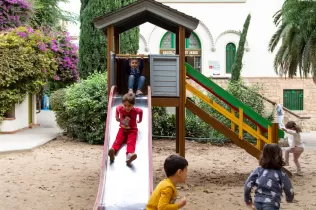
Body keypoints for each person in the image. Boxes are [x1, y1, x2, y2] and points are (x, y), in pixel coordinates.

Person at [244, 144, 294, 210]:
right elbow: (288, 188)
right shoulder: (281, 173)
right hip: (272, 203)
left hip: (257, 202)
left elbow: (247, 185)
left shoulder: (258, 170)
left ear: (263, 156)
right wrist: (289, 198)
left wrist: (247, 199)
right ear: (279, 156)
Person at [108, 92, 143, 165]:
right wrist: (116, 116)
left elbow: (141, 111)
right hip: (122, 128)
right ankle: (113, 151)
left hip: (132, 130)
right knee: (118, 140)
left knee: (131, 142)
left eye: (129, 105)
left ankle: (129, 155)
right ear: (123, 104)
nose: (127, 107)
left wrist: (140, 120)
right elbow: (117, 109)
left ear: (133, 104)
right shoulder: (120, 108)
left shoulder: (135, 110)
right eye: (125, 105)